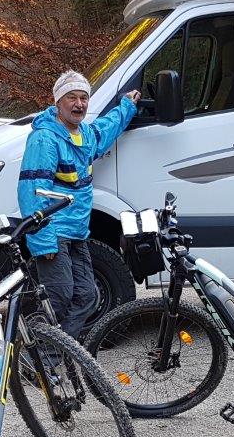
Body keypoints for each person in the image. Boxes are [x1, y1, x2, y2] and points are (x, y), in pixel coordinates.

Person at [17, 70, 141, 339]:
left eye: (84, 98)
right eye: (71, 97)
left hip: (77, 233)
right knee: (58, 297)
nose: (79, 104)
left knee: (87, 296)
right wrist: (44, 241)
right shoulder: (45, 138)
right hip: (54, 233)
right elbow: (32, 191)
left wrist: (127, 107)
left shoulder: (84, 135)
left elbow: (106, 130)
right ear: (58, 102)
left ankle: (61, 350)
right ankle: (38, 359)